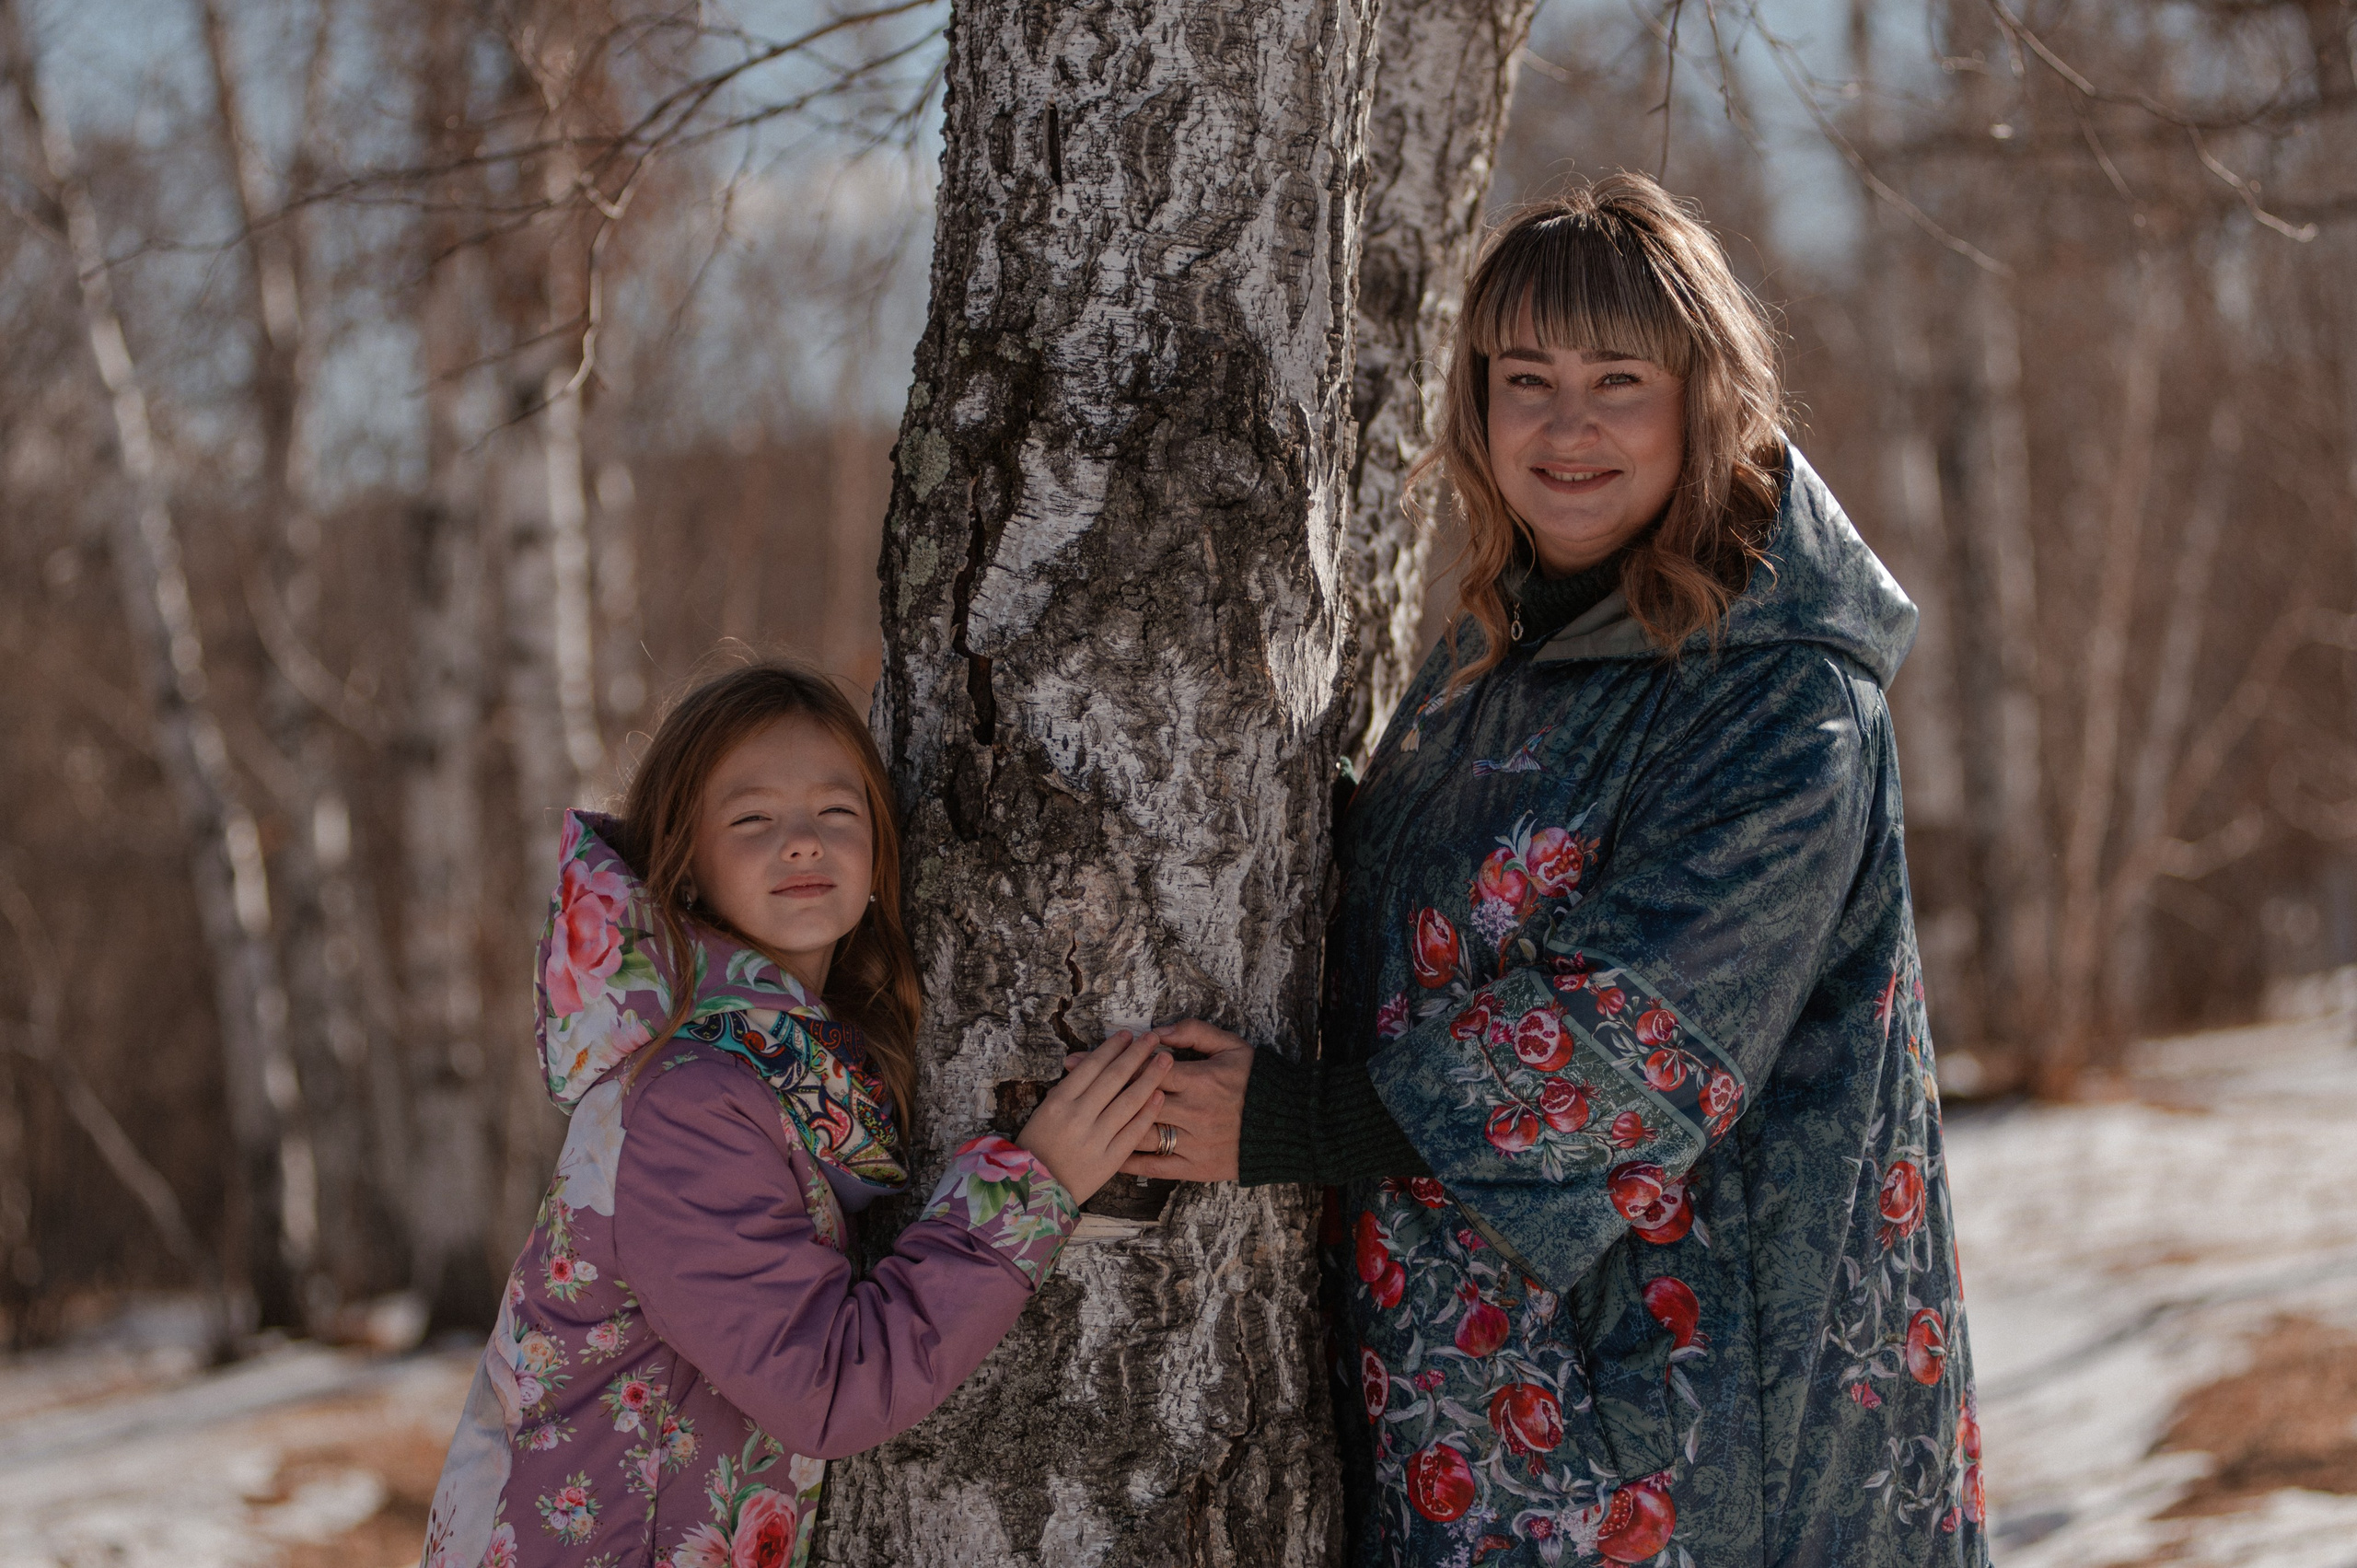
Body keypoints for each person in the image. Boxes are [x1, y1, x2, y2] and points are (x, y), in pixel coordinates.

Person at [1121, 174, 1988, 1565]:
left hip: (1700, 1436)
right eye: (1525, 378)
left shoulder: (1781, 699)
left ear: (1704, 400)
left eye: (1617, 381)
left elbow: (1640, 1035)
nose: (1566, 425)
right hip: (1479, 1405)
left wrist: (1297, 1123)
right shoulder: (1494, 656)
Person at [420, 659, 1172, 1568]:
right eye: (753, 819)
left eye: (836, 811)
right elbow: (824, 1386)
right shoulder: (687, 1102)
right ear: (684, 864)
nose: (804, 841)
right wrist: (1028, 1190)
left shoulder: (794, 1072)